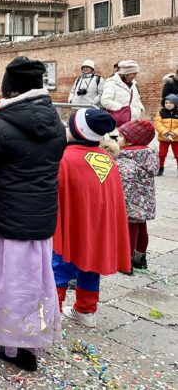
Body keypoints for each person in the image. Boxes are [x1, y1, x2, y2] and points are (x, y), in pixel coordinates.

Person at [0, 56, 66, 372]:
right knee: (34, 281)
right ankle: (33, 334)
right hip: (39, 219)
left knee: (5, 282)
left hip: (6, 221)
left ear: (8, 89)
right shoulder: (57, 125)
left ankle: (13, 346)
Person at [53, 109, 130, 328]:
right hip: (96, 226)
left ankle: (52, 313)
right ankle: (86, 310)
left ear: (77, 131)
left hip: (70, 224)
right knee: (90, 264)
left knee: (59, 265)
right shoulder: (107, 158)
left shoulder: (65, 158)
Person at [116, 120, 159, 272]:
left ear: (130, 141)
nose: (117, 139)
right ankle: (140, 258)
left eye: (120, 137)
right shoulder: (147, 155)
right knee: (141, 227)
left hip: (130, 203)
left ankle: (126, 262)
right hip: (144, 202)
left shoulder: (126, 160)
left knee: (130, 230)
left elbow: (122, 185)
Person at [101, 60, 144, 127]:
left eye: (136, 73)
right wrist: (121, 107)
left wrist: (140, 108)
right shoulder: (112, 82)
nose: (135, 76)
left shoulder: (133, 84)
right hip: (118, 121)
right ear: (126, 73)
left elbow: (137, 98)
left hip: (132, 121)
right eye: (133, 73)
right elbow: (105, 101)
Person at [154, 93, 178, 175]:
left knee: (177, 154)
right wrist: (166, 133)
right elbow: (157, 124)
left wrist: (174, 134)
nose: (168, 104)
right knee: (162, 154)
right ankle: (160, 168)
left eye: (171, 103)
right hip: (164, 138)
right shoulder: (160, 113)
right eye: (166, 102)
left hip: (176, 138)